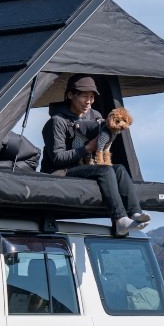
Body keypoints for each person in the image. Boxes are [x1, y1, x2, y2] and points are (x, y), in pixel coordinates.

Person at [41, 74, 150, 236]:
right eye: (84, 96)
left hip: (86, 167)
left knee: (118, 169)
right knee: (104, 170)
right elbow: (57, 159)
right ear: (71, 95)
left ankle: (134, 212)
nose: (89, 101)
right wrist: (87, 148)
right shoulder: (57, 122)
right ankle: (119, 219)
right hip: (62, 171)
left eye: (92, 97)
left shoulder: (96, 116)